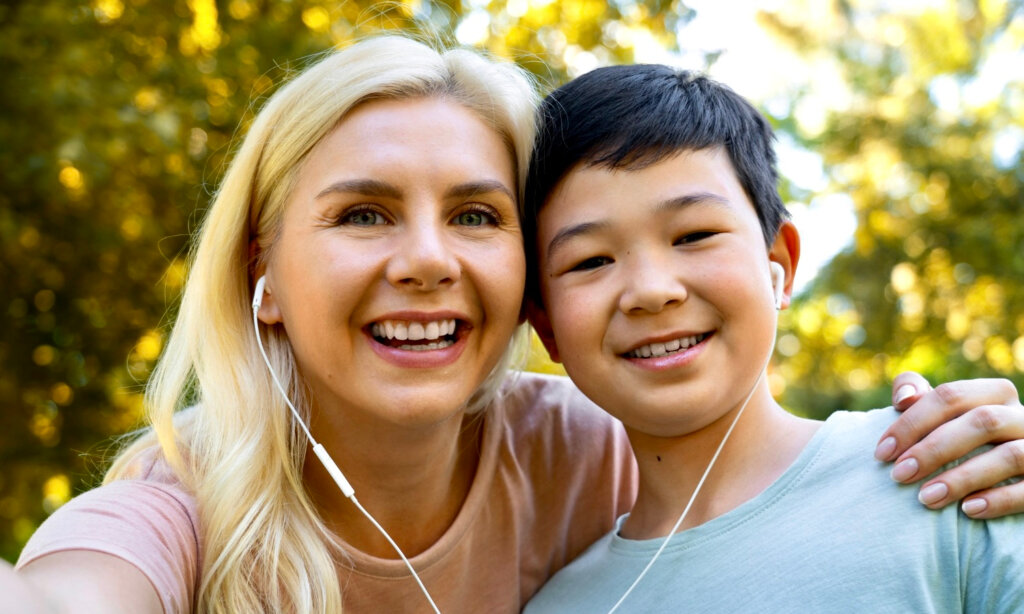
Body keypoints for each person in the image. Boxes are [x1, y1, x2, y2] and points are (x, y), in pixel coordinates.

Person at [2, 36, 1022, 614]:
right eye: (364, 212)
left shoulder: (581, 447)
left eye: (476, 214)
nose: (428, 257)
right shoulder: (179, 505)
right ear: (260, 276)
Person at [521, 64, 1023, 612]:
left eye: (694, 235)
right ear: (548, 329)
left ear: (779, 265)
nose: (651, 291)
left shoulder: (950, 476)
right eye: (590, 260)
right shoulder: (560, 605)